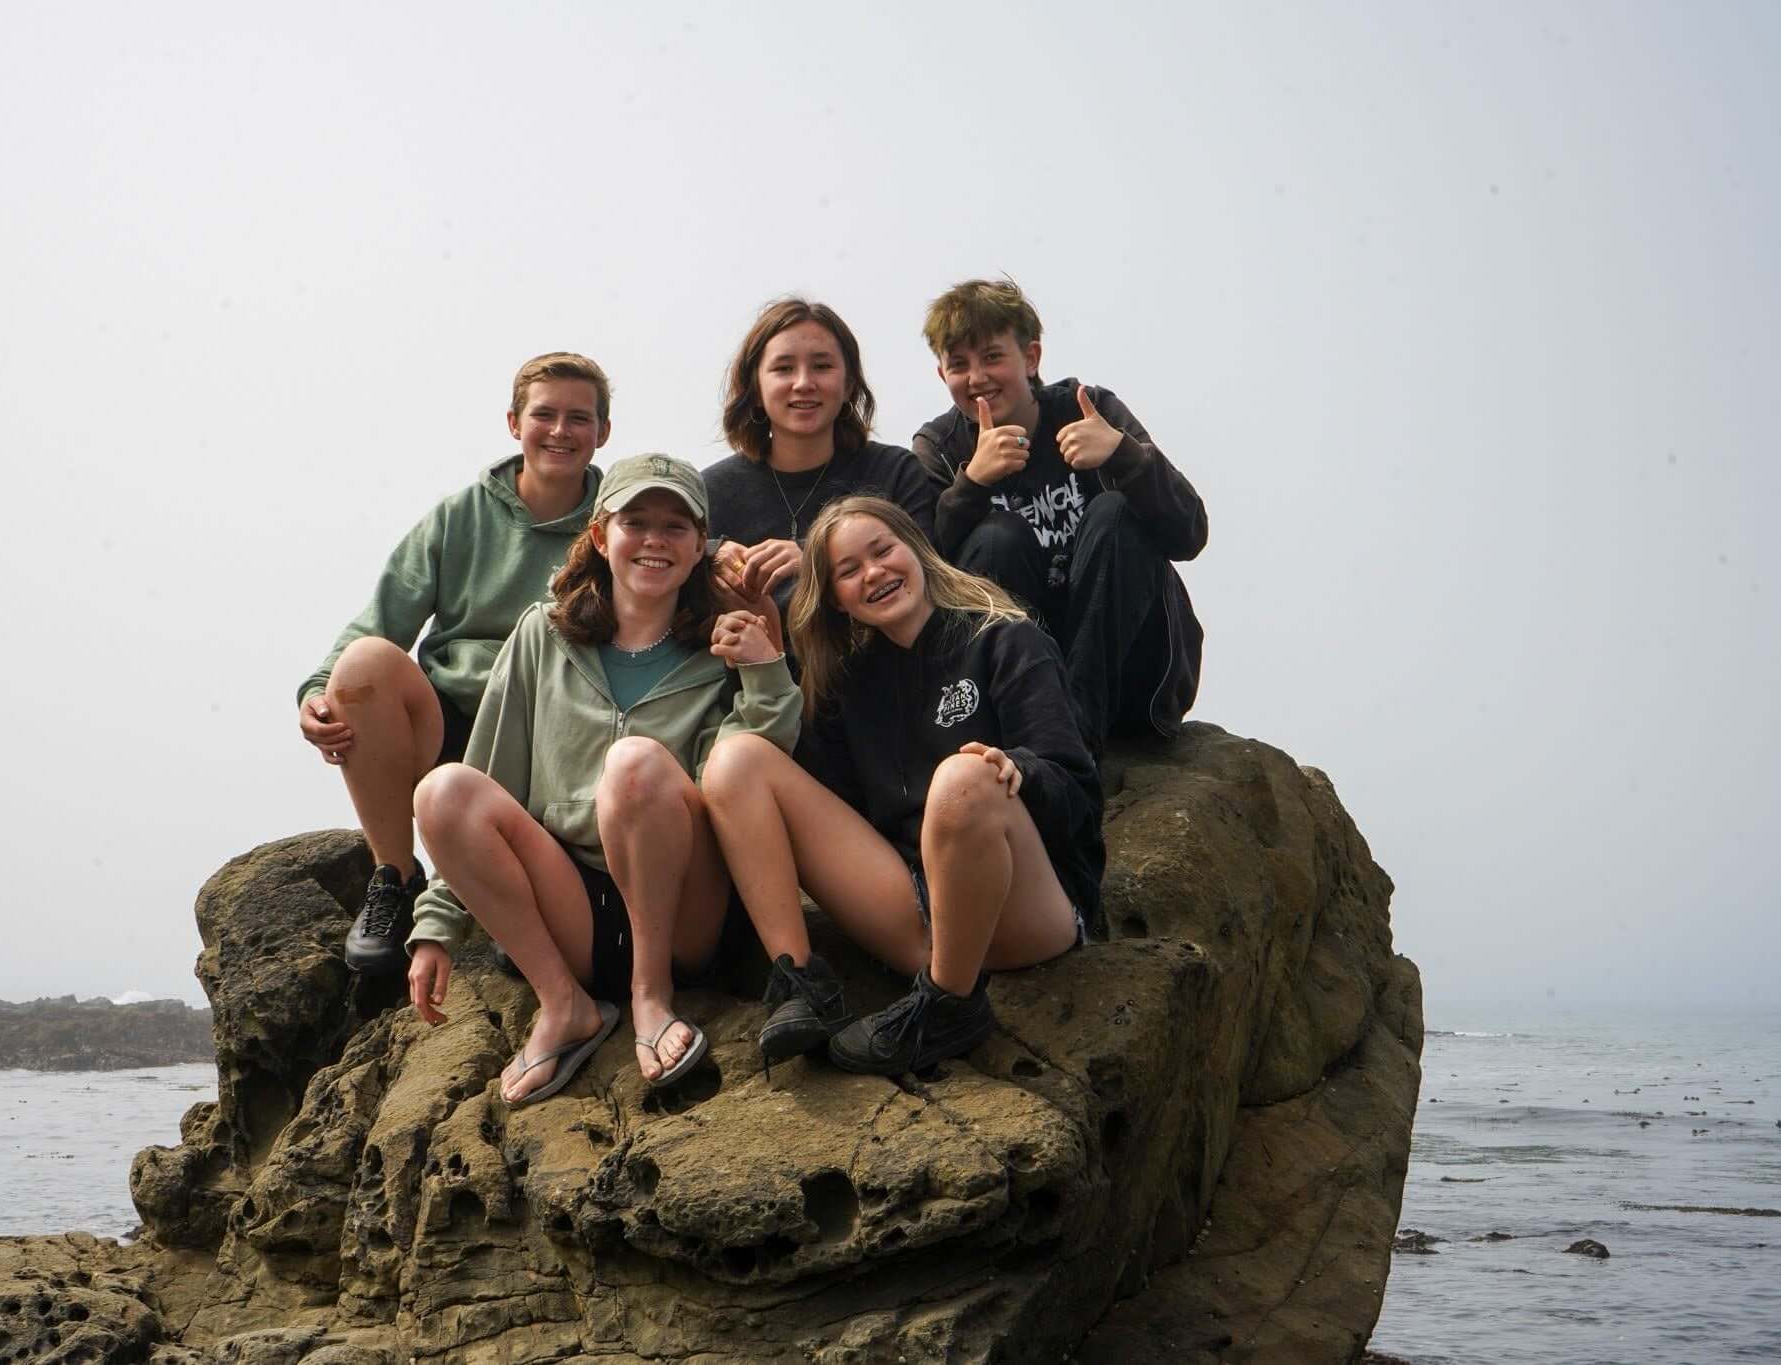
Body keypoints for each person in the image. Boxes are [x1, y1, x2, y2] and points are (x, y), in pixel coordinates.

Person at [404, 455, 799, 1106]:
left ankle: (652, 998)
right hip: (575, 911)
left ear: (702, 545)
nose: (653, 540)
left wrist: (763, 667)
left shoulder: (719, 643)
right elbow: (488, 771)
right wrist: (437, 926)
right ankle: (563, 1004)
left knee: (634, 765)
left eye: (675, 526)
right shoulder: (542, 633)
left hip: (684, 913)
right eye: (635, 522)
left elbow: (755, 772)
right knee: (441, 790)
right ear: (599, 535)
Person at [700, 495, 1101, 1078]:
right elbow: (818, 808)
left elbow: (1077, 789)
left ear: (917, 548)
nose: (875, 573)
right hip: (915, 916)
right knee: (735, 761)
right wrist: (768, 661)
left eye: (883, 550)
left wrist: (1020, 768)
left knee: (962, 778)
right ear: (836, 599)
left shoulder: (1005, 639)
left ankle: (949, 1006)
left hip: (1026, 914)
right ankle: (801, 982)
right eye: (849, 570)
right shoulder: (849, 685)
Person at [295, 353, 613, 975]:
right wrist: (314, 692)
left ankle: (522, 899)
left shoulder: (619, 518)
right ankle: (396, 877)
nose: (560, 431)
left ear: (602, 431)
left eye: (579, 418)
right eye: (543, 414)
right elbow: (379, 620)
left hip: (556, 729)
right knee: (364, 666)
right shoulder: (459, 516)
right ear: (513, 423)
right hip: (455, 721)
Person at [910, 279, 1208, 751]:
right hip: (1026, 689)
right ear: (941, 375)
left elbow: (1189, 533)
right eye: (959, 365)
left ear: (1030, 358)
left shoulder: (1088, 410)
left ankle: (1076, 734)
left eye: (992, 357)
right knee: (996, 538)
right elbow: (921, 575)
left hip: (1127, 675)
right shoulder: (940, 448)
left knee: (1114, 513)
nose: (977, 378)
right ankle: (1056, 725)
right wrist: (971, 485)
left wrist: (1124, 454)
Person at [706, 298, 939, 647]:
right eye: (783, 368)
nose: (803, 383)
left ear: (848, 386)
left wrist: (817, 561)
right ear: (755, 389)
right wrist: (709, 552)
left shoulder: (895, 472)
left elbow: (930, 574)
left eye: (822, 366)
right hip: (749, 686)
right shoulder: (711, 489)